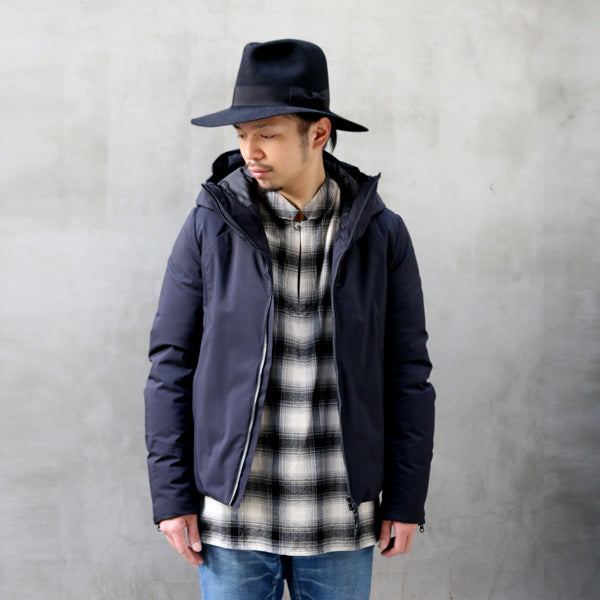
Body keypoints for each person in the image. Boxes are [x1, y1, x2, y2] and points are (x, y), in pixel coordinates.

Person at [144, 38, 435, 600]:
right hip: (232, 518)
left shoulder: (381, 234)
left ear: (319, 133)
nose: (250, 151)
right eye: (241, 135)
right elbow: (170, 365)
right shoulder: (210, 225)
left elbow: (408, 374)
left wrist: (405, 498)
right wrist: (172, 497)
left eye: (267, 134)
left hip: (340, 518)